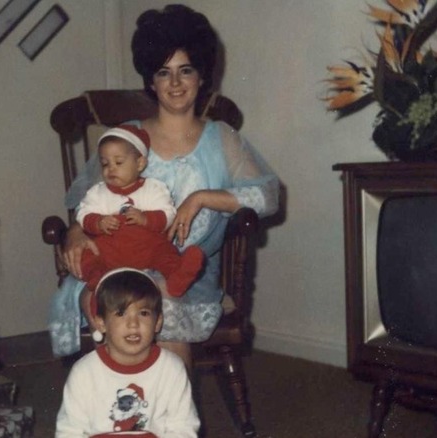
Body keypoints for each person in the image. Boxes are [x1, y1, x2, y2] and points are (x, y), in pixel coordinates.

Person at [48, 4, 280, 370]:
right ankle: (116, 419)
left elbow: (268, 196)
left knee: (156, 304)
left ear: (202, 76)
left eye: (185, 70)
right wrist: (76, 233)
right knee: (118, 301)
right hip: (116, 265)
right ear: (151, 81)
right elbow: (89, 202)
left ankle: (169, 421)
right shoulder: (127, 138)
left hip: (186, 275)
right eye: (163, 72)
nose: (175, 83)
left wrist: (201, 198)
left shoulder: (222, 139)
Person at [55, 268, 200, 438]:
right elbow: (70, 431)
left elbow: (183, 427)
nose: (133, 324)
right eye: (121, 313)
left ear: (158, 322)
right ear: (101, 323)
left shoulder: (172, 369)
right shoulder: (84, 372)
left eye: (143, 313)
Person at [77, 124, 205, 315]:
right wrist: (98, 222)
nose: (110, 169)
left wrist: (146, 218)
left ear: (139, 164)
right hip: (112, 250)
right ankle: (98, 279)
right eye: (105, 163)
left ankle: (177, 276)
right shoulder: (98, 192)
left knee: (165, 251)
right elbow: (82, 213)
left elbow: (168, 214)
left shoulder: (153, 188)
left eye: (118, 162)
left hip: (147, 248)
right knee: (88, 254)